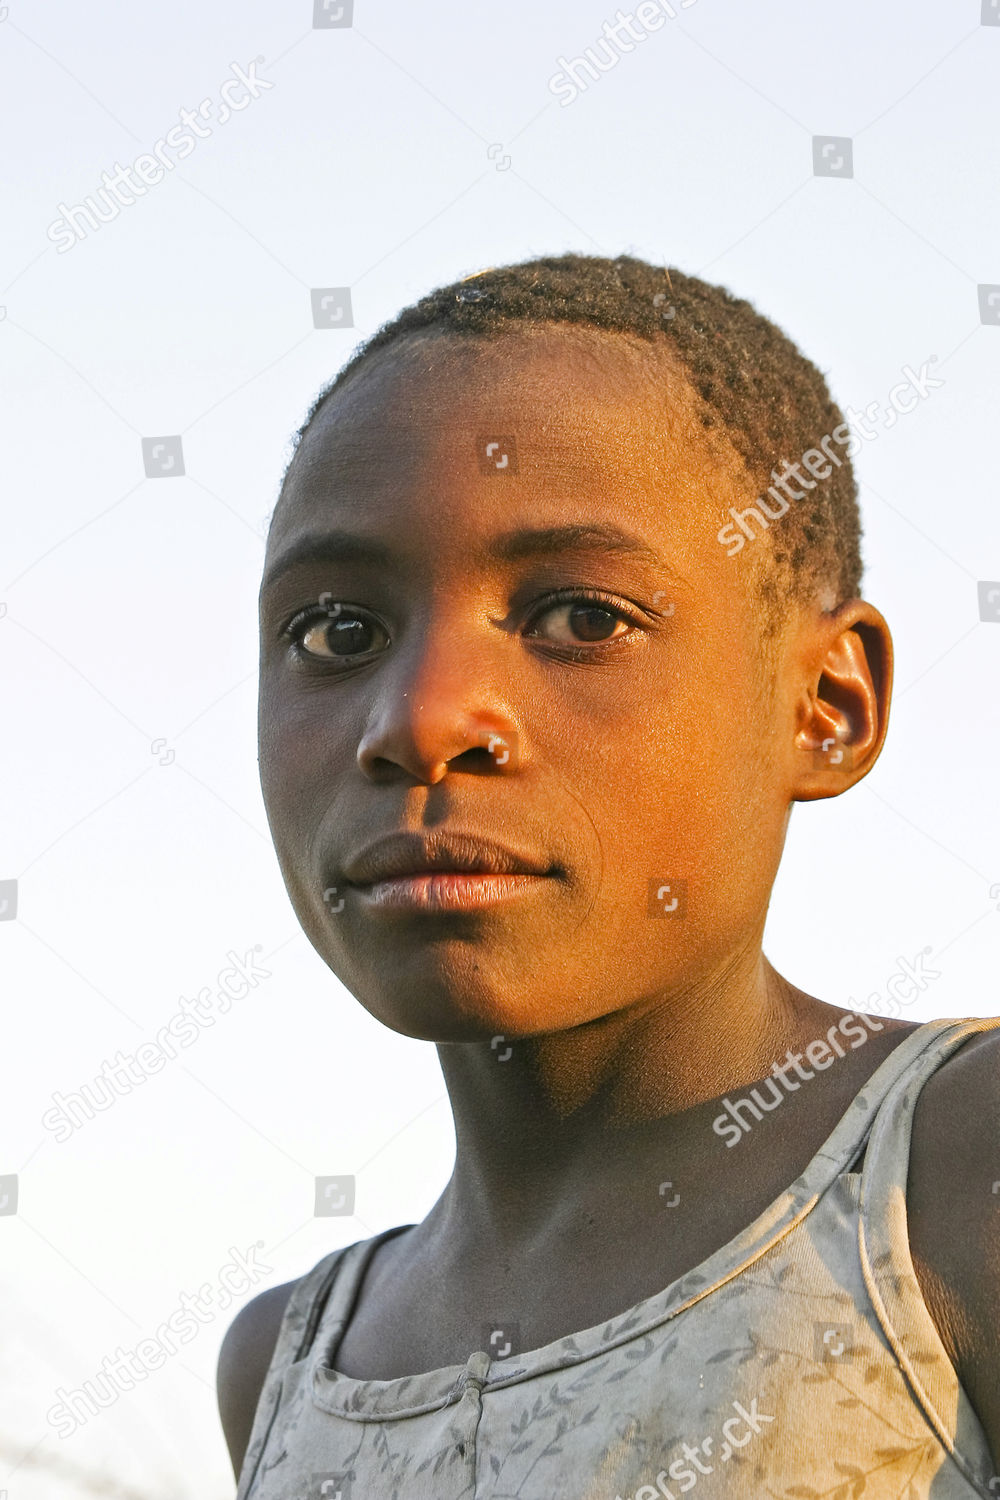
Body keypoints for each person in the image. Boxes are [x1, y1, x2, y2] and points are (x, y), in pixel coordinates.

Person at [217, 253, 1000, 1498]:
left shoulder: (941, 1183)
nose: (419, 721)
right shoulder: (287, 1362)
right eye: (336, 632)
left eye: (581, 618)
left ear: (826, 706)